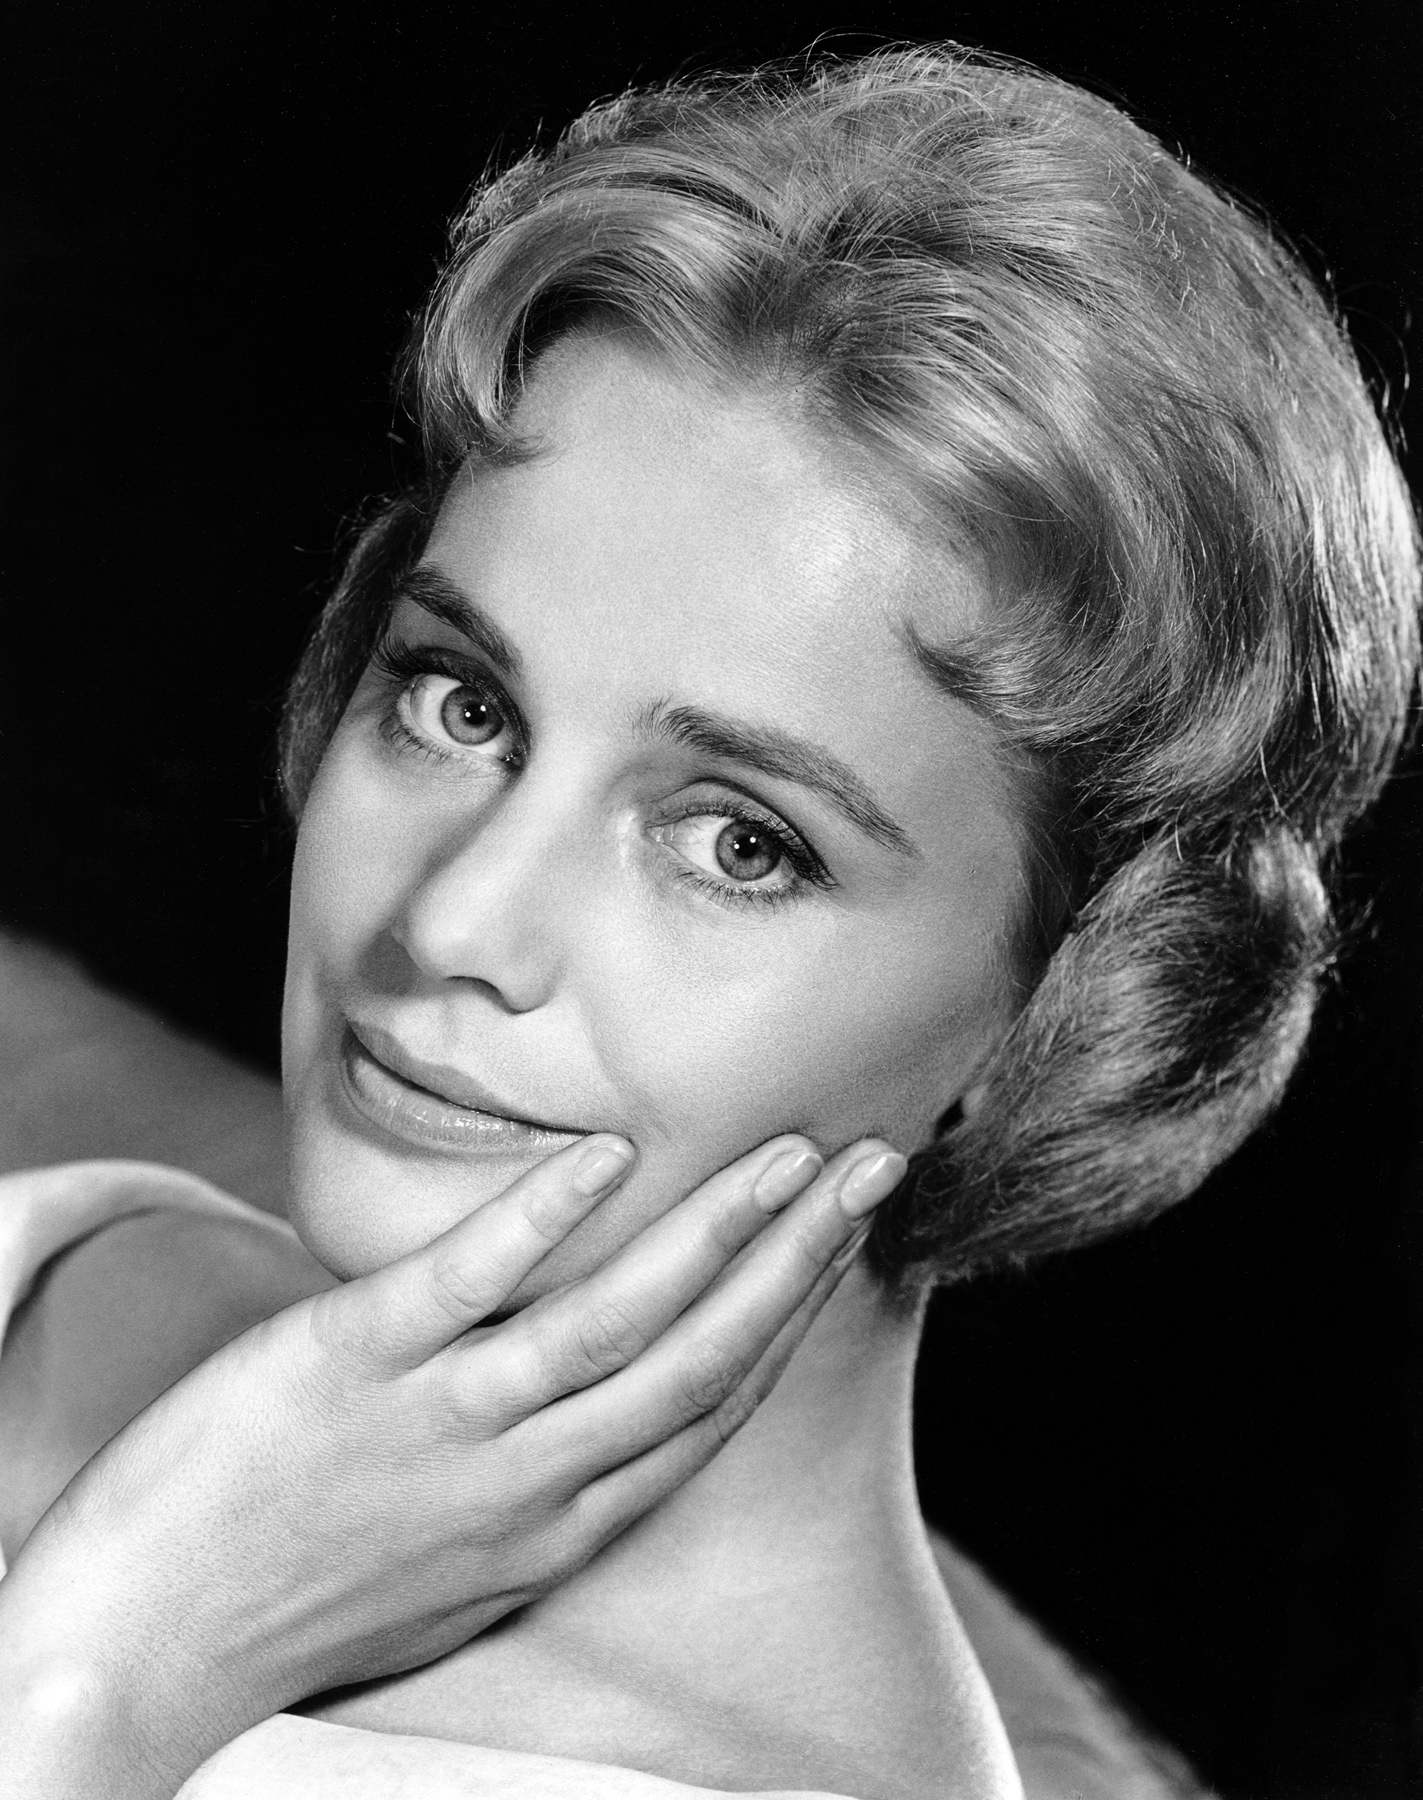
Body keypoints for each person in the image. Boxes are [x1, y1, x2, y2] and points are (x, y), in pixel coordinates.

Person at [0, 43, 1417, 1800]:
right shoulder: (69, 1280)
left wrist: (114, 1664)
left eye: (741, 844)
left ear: (1082, 1018)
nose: (455, 921)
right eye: (459, 703)